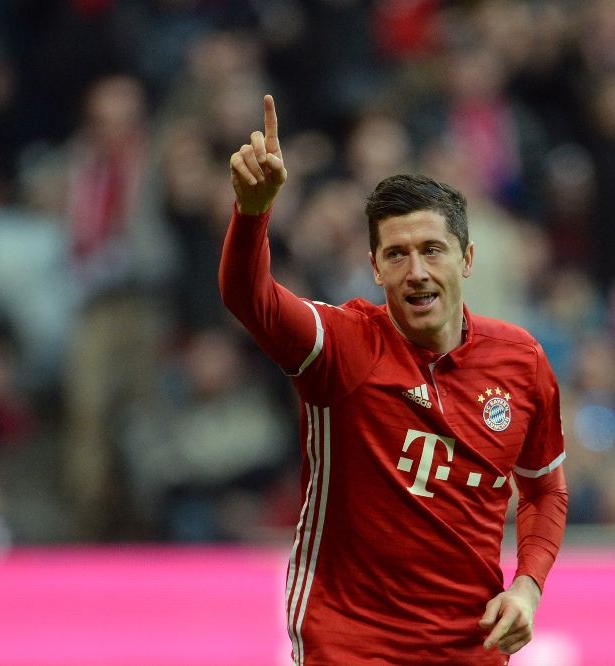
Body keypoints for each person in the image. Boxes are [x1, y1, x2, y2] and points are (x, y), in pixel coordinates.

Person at [221, 95, 568, 665]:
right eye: (397, 255)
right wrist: (252, 212)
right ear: (375, 266)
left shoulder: (521, 363)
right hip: (351, 641)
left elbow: (544, 489)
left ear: (467, 259)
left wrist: (527, 586)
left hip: (469, 644)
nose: (417, 273)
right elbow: (248, 298)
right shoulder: (341, 344)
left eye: (433, 250)